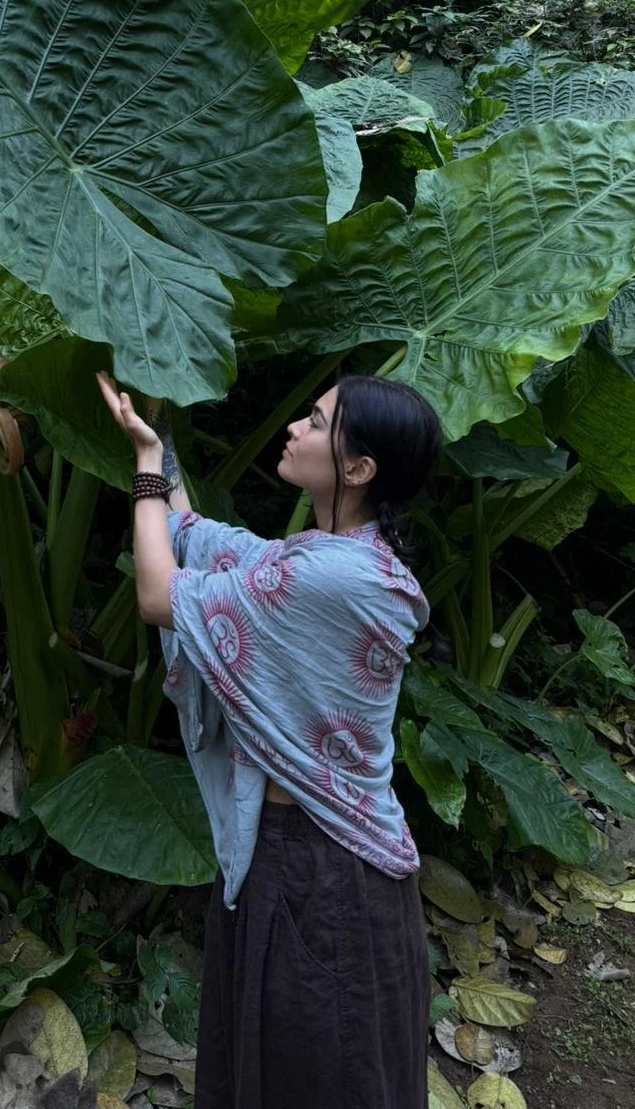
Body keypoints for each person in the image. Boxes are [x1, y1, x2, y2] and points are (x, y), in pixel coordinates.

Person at [96, 369, 442, 1109]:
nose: (294, 427)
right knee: (283, 1063)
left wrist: (148, 472)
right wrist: (156, 440)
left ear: (358, 469)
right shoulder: (323, 558)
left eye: (316, 424)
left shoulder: (332, 580)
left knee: (315, 1073)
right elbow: (197, 541)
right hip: (290, 857)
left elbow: (159, 594)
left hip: (324, 876)